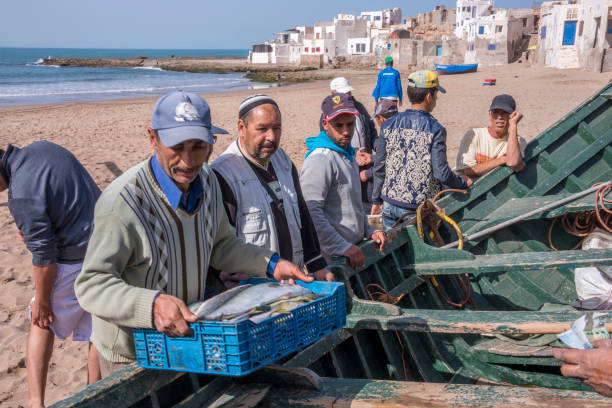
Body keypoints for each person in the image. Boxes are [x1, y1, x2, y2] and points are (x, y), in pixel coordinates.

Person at [74, 91, 313, 378]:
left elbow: (222, 246)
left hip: (188, 336)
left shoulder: (209, 181)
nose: (187, 160)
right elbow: (92, 285)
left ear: (212, 143)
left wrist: (272, 263)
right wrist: (151, 304)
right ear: (153, 139)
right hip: (132, 351)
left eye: (198, 147)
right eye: (176, 146)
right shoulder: (122, 203)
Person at [0, 142, 101, 408]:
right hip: (106, 247)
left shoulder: (21, 192)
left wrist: (43, 302)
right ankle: (95, 393)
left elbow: (44, 258)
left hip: (76, 257)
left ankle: (35, 402)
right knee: (97, 329)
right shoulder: (44, 148)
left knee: (40, 320)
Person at [211, 94, 333, 283]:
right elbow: (222, 246)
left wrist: (317, 264)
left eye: (277, 129)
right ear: (241, 128)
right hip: (255, 288)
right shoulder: (223, 174)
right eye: (262, 129)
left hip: (293, 280)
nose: (271, 137)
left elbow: (302, 214)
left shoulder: (282, 159)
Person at [371, 70, 472, 230]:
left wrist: (376, 200)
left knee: (393, 245)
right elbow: (441, 172)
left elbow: (379, 166)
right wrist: (461, 183)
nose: (436, 100)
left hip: (389, 204)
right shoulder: (436, 129)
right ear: (429, 97)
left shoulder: (388, 125)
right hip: (416, 209)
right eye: (436, 95)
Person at [300, 93, 387, 270]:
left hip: (351, 249)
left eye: (350, 124)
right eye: (338, 126)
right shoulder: (321, 159)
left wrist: (370, 231)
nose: (346, 131)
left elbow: (353, 206)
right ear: (325, 124)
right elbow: (310, 213)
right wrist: (341, 246)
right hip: (334, 258)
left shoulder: (347, 154)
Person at [320, 77, 379, 213]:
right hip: (348, 161)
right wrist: (353, 153)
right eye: (344, 93)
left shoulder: (359, 107)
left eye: (349, 93)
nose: (348, 96)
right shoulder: (327, 117)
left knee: (368, 197)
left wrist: (377, 149)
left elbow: (371, 130)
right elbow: (330, 145)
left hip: (366, 159)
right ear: (332, 93)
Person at [455, 94, 527, 178]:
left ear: (512, 116)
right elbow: (468, 171)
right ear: (490, 115)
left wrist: (514, 125)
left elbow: (512, 162)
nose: (499, 117)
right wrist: (503, 159)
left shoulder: (518, 141)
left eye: (504, 113)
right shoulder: (473, 135)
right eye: (496, 112)